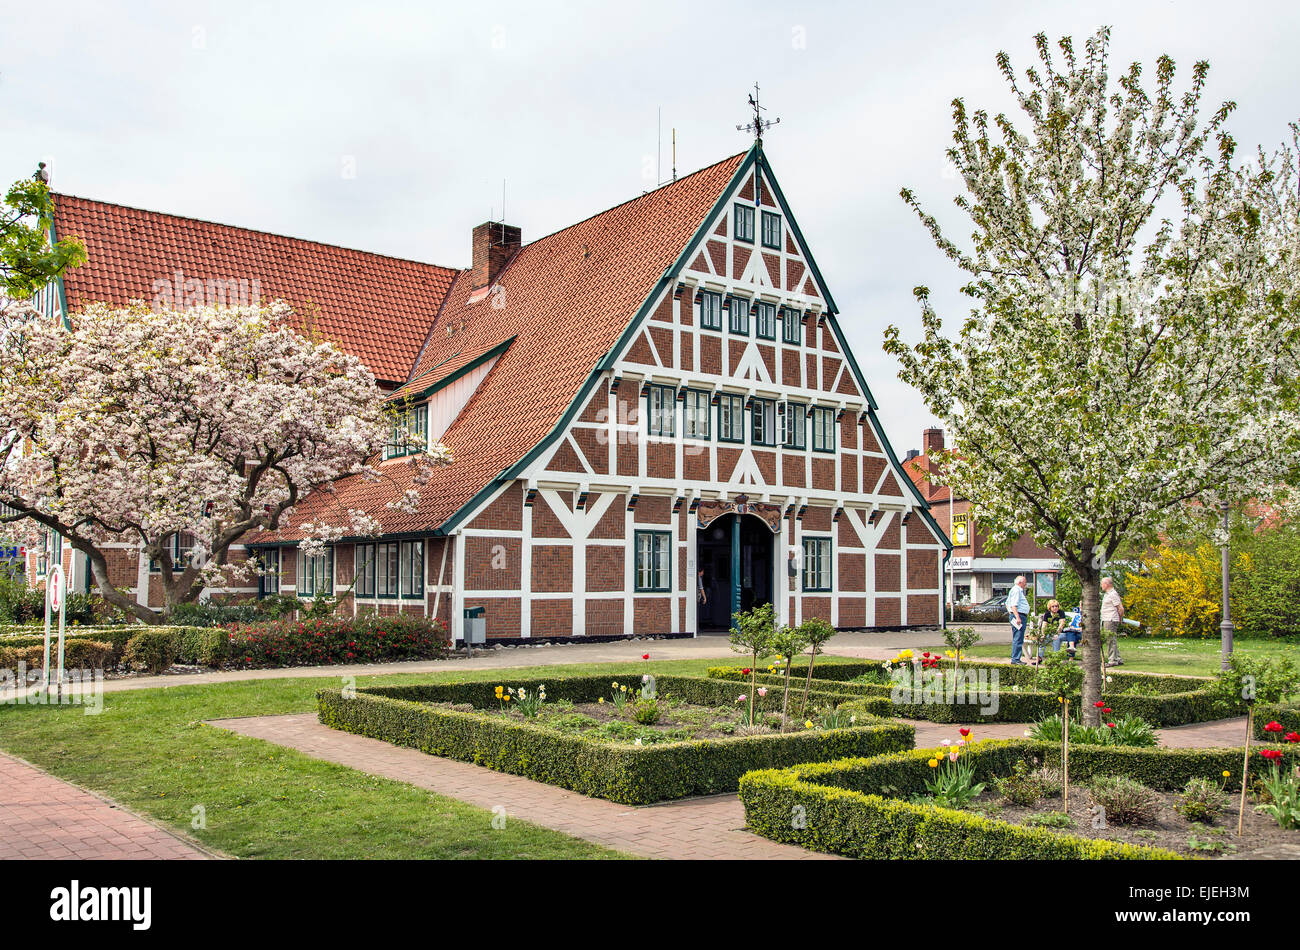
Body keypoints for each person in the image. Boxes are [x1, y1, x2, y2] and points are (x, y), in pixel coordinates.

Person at [1005, 575, 1031, 664]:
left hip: (1018, 615)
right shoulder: (1017, 590)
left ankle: (1016, 658)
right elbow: (1013, 605)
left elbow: (1007, 603)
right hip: (1019, 616)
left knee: (1018, 637)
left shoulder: (1016, 590)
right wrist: (1017, 617)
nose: (1026, 584)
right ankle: (1015, 659)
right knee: (1018, 637)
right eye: (1025, 582)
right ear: (1020, 582)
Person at [1034, 599, 1069, 664]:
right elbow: (1044, 625)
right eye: (1053, 606)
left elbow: (1061, 624)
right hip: (1050, 633)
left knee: (1055, 638)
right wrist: (1043, 634)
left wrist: (1057, 633)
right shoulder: (1047, 614)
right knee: (1043, 639)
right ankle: (1039, 658)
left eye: (1056, 606)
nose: (1055, 608)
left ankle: (1056, 658)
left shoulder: (1061, 612)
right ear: (1050, 607)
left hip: (1061, 633)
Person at [1101, 576, 1125, 666]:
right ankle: (1117, 658)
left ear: (1107, 584)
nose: (1101, 586)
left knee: (1110, 640)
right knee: (1112, 639)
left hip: (1110, 619)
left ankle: (1112, 660)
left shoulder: (1113, 594)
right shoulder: (1107, 594)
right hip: (1106, 618)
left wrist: (1120, 618)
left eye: (1102, 584)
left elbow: (1120, 608)